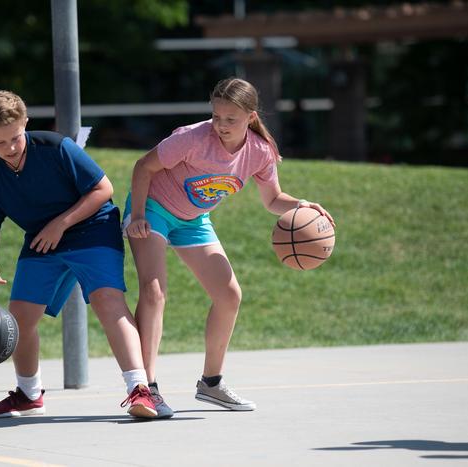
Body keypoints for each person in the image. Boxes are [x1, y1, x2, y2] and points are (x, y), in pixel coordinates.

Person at [123, 77, 335, 417]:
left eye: (230, 119)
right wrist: (136, 216)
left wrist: (302, 205)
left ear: (250, 117)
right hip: (153, 209)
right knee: (153, 291)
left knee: (229, 295)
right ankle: (146, 390)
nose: (220, 125)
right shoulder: (192, 138)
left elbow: (273, 200)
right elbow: (143, 167)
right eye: (216, 116)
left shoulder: (260, 151)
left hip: (193, 219)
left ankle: (211, 383)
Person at [0, 90, 156, 419]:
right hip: (43, 241)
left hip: (93, 227)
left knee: (107, 299)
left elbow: (104, 189)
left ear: (25, 123)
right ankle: (29, 394)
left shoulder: (56, 147)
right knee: (19, 319)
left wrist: (61, 223)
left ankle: (140, 390)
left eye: (15, 138)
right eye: (0, 143)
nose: (11, 148)